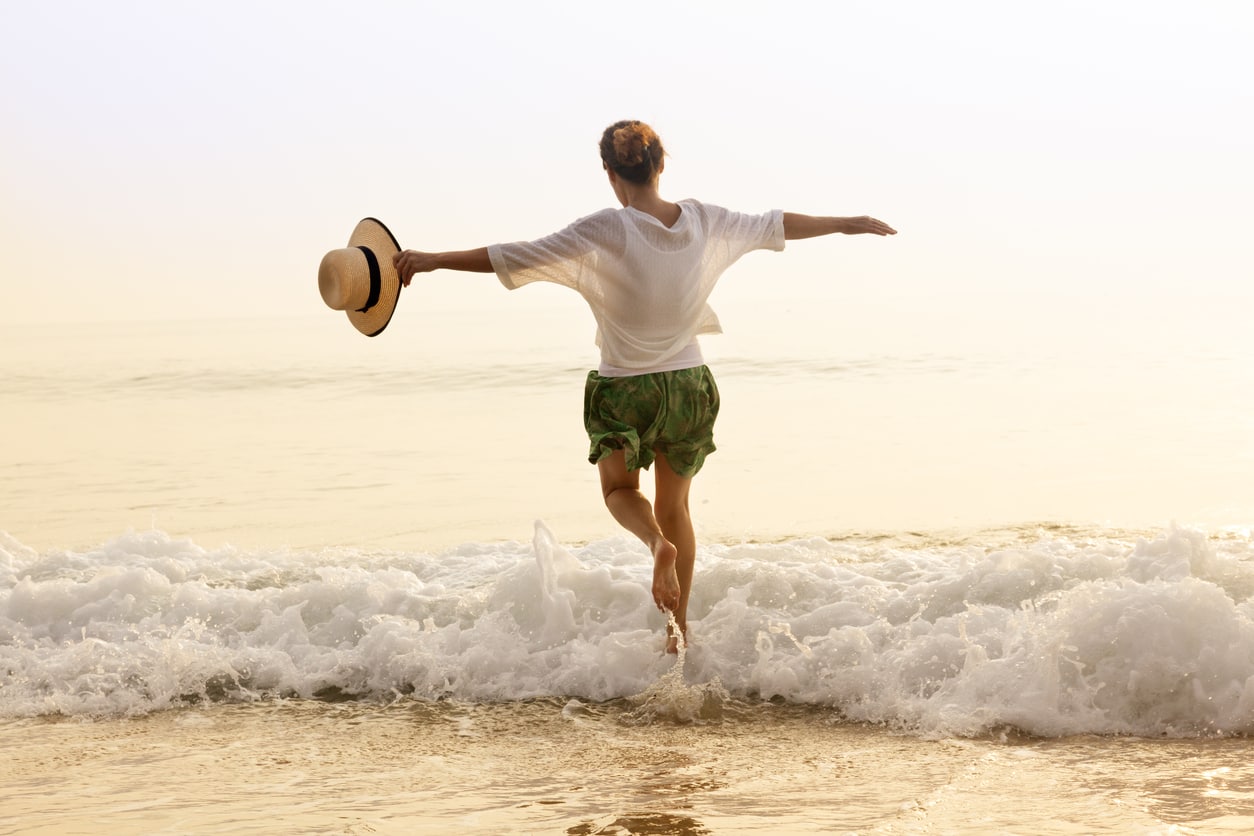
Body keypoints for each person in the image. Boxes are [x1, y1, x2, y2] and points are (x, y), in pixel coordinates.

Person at [394, 120, 895, 653]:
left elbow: (515, 254)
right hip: (687, 386)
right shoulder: (705, 220)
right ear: (662, 166)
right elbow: (777, 223)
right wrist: (846, 222)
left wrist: (431, 260)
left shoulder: (605, 228)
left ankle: (656, 544)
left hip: (624, 390)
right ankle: (678, 633)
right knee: (677, 506)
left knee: (620, 492)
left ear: (610, 173)